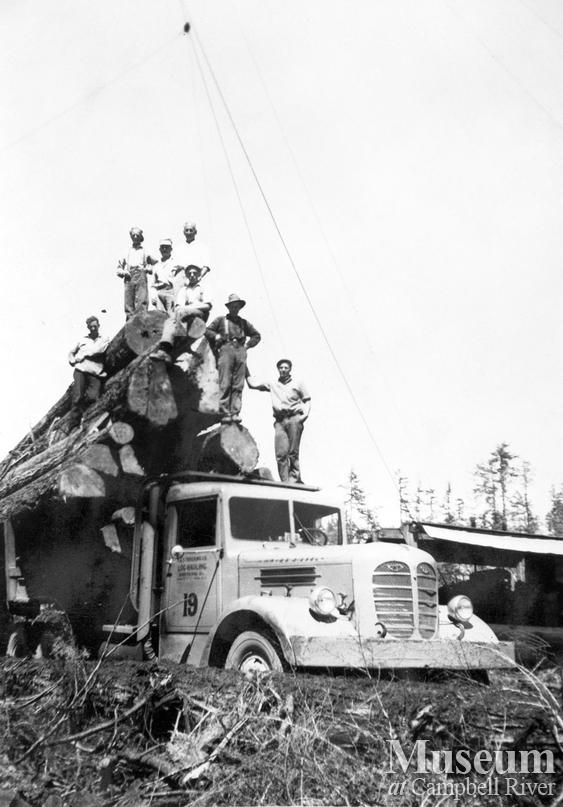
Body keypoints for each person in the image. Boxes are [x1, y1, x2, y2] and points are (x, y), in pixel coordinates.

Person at [247, 358, 311, 483]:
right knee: (281, 454)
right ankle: (285, 482)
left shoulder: (298, 383)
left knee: (293, 452)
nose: (283, 370)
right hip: (280, 422)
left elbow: (307, 399)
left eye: (286, 368)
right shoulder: (273, 384)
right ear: (278, 369)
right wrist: (244, 366)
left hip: (294, 419)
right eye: (281, 368)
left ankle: (295, 481)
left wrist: (305, 415)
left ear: (290, 369)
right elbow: (252, 384)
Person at [206, 294, 261, 423]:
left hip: (240, 350)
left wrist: (247, 346)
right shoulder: (221, 320)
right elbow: (207, 330)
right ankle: (225, 412)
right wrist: (217, 337)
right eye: (232, 306)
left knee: (238, 383)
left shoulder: (243, 322)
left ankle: (235, 412)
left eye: (237, 307)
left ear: (239, 308)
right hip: (226, 349)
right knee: (225, 381)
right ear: (229, 307)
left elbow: (256, 335)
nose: (235, 309)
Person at [151, 265, 213, 363]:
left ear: (198, 274)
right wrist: (184, 309)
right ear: (187, 276)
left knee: (181, 313)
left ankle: (171, 348)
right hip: (185, 316)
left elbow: (207, 306)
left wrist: (188, 307)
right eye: (189, 274)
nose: (192, 275)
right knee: (169, 321)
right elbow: (178, 307)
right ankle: (164, 350)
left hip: (199, 315)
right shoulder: (184, 289)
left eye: (195, 273)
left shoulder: (203, 287)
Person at [68, 316, 109, 429]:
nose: (93, 328)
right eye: (91, 327)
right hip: (80, 370)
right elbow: (71, 353)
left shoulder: (104, 338)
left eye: (95, 326)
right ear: (88, 328)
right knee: (77, 396)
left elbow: (97, 350)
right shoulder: (82, 340)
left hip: (95, 372)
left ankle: (87, 420)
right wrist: (72, 360)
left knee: (93, 397)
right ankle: (73, 426)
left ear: (98, 326)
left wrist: (83, 354)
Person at [116, 226, 157, 320]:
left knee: (142, 303)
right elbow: (118, 270)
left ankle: (141, 327)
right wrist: (124, 272)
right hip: (129, 278)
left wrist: (148, 268)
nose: (135, 237)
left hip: (141, 277)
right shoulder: (126, 252)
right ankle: (130, 327)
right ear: (131, 236)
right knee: (129, 305)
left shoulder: (146, 251)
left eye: (137, 235)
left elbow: (156, 263)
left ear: (140, 237)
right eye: (133, 235)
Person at [173, 220, 211, 299]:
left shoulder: (202, 247)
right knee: (180, 302)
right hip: (181, 278)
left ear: (195, 232)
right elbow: (175, 266)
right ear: (184, 232)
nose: (189, 232)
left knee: (195, 302)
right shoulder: (179, 248)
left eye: (191, 230)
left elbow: (206, 266)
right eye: (187, 230)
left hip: (196, 277)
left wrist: (199, 277)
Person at [150, 238, 176, 313]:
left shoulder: (175, 263)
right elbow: (153, 284)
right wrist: (153, 295)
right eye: (162, 247)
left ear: (171, 249)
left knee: (171, 317)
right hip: (159, 293)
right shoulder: (156, 265)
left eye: (167, 247)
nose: (164, 249)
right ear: (159, 249)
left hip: (171, 292)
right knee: (160, 317)